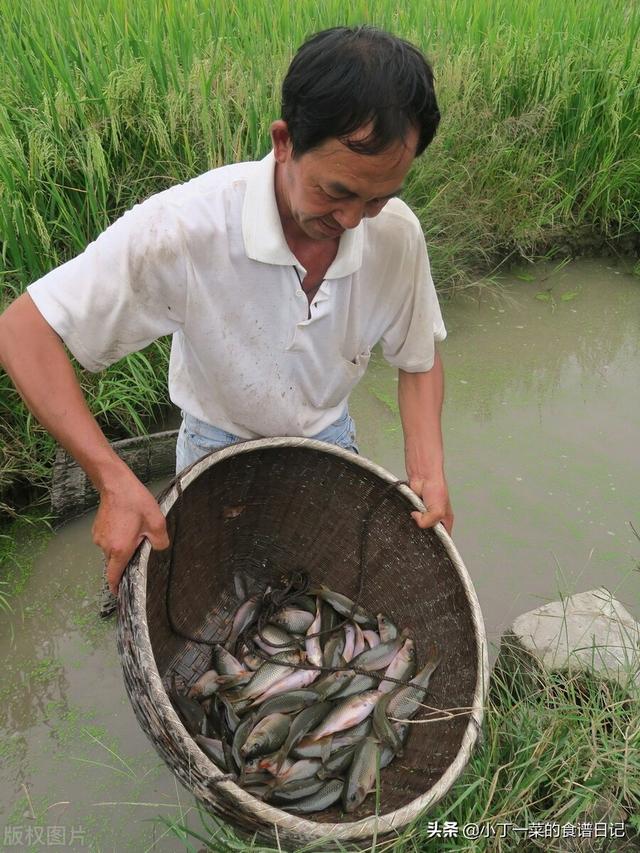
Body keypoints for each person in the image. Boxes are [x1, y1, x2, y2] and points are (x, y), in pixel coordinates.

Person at [0, 26, 453, 596]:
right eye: (335, 192)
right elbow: (22, 329)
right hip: (215, 446)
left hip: (328, 444)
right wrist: (112, 480)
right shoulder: (185, 229)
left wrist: (428, 468)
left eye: (377, 197)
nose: (352, 220)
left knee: (324, 595)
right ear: (285, 142)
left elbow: (417, 357)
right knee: (213, 594)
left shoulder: (396, 235)